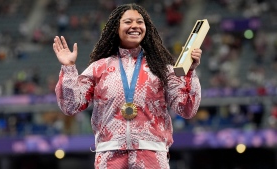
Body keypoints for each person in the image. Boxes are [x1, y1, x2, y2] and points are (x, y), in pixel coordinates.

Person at [53, 3, 202, 169]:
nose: (135, 26)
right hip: (109, 154)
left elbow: (186, 109)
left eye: (140, 22)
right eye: (128, 21)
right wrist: (68, 68)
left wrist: (190, 72)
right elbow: (71, 106)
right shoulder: (99, 68)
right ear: (116, 28)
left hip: (152, 154)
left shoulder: (162, 68)